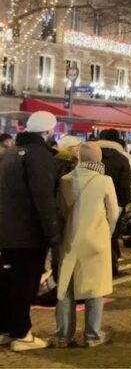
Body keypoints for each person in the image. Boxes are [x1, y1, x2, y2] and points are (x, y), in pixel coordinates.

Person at [0, 111, 61, 351]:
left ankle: (5, 328)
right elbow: (43, 197)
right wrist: (52, 231)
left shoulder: (11, 153)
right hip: (28, 234)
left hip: (7, 231)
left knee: (7, 282)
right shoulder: (39, 156)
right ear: (48, 131)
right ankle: (22, 334)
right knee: (24, 284)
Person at [53, 143, 120, 348]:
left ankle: (63, 335)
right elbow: (113, 213)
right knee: (94, 288)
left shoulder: (65, 180)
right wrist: (106, 233)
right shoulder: (104, 180)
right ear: (98, 159)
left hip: (70, 238)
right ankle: (92, 335)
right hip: (96, 240)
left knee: (66, 288)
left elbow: (61, 211)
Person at [95, 129, 131, 277]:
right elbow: (125, 186)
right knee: (111, 235)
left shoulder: (92, 155)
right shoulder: (122, 159)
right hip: (114, 202)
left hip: (91, 201)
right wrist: (123, 203)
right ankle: (110, 267)